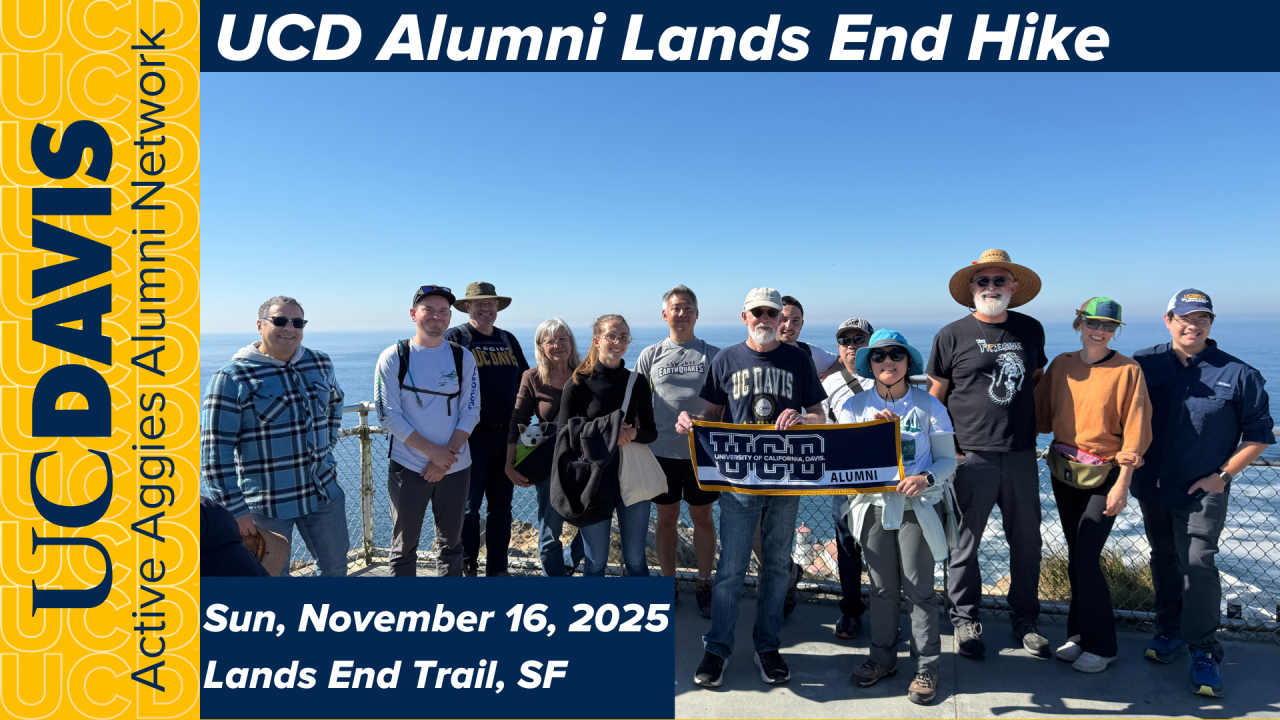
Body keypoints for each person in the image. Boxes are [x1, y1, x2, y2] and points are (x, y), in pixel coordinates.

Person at [678, 287, 827, 688]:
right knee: (730, 569)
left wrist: (803, 420)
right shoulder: (725, 359)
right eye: (756, 312)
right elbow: (710, 415)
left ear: (781, 318)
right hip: (738, 483)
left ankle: (767, 645)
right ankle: (717, 649)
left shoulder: (798, 359)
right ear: (744, 317)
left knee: (777, 569)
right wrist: (691, 424)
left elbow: (820, 415)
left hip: (787, 480)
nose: (765, 318)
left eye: (772, 312)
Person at [1132, 289, 1275, 697]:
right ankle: (1169, 631)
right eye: (1184, 317)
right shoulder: (1143, 363)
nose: (1192, 325)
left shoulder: (1238, 373)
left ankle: (1205, 650)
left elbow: (1260, 435)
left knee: (1198, 563)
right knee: (1163, 557)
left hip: (1203, 490)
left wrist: (1223, 476)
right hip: (1152, 485)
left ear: (1211, 325)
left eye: (1202, 319)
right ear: (1167, 319)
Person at [927, 249, 1049, 659]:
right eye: (983, 281)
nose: (991, 287)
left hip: (1019, 453)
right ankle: (965, 622)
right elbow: (936, 395)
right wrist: (940, 450)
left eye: (1000, 281)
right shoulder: (951, 334)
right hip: (969, 457)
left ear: (1014, 287)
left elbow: (1034, 381)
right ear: (971, 289)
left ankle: (1026, 620)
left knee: (1027, 542)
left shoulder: (1031, 330)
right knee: (964, 544)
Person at [836, 330, 957, 705]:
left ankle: (926, 668)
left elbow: (947, 459)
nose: (887, 362)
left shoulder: (929, 405)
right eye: (878, 356)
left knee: (920, 589)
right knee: (883, 588)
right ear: (868, 364)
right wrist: (876, 433)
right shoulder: (855, 408)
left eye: (895, 355)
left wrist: (926, 478)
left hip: (917, 509)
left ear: (908, 362)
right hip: (873, 509)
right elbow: (845, 460)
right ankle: (882, 658)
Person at [1034, 297, 1152, 673]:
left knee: (1086, 556)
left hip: (1107, 475)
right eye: (1093, 323)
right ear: (1078, 324)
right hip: (1065, 471)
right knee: (1076, 555)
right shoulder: (1062, 364)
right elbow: (1039, 413)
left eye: (1108, 326)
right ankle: (1079, 634)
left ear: (1115, 331)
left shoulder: (1128, 370)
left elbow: (1136, 430)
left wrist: (1123, 484)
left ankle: (1103, 645)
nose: (1099, 331)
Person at [200, 296, 349, 576]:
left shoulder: (319, 362)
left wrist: (325, 446)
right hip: (267, 504)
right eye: (279, 320)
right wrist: (234, 509)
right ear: (260, 325)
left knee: (335, 569)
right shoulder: (232, 378)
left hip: (322, 493)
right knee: (271, 578)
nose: (289, 328)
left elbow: (335, 404)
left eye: (297, 322)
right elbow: (214, 453)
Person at [375, 285, 481, 577]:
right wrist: (433, 454)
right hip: (409, 466)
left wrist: (443, 460)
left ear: (449, 317)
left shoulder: (463, 358)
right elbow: (388, 415)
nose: (437, 316)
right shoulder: (394, 356)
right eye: (428, 310)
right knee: (404, 545)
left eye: (443, 311)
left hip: (456, 467)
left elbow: (471, 412)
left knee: (452, 544)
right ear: (413, 314)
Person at [635, 285, 721, 615]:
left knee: (702, 518)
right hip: (661, 453)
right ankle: (667, 584)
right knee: (666, 518)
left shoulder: (713, 354)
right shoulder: (650, 355)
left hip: (702, 454)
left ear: (696, 314)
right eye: (676, 308)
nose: (681, 313)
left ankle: (704, 583)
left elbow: (724, 405)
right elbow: (637, 402)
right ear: (664, 314)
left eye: (688, 308)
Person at [555, 314, 657, 577]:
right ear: (596, 340)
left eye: (623, 336)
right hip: (594, 480)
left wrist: (633, 434)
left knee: (635, 560)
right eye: (612, 335)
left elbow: (651, 432)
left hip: (631, 475)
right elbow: (563, 435)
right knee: (596, 561)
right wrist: (607, 432)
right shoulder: (578, 382)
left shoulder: (637, 382)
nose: (618, 341)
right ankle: (595, 618)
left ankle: (643, 616)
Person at [445, 282, 531, 577]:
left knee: (501, 507)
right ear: (467, 307)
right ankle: (468, 564)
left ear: (497, 307)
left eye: (490, 303)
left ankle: (498, 569)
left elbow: (527, 379)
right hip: (472, 436)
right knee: (468, 508)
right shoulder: (456, 337)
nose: (485, 308)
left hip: (508, 435)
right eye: (479, 303)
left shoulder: (508, 339)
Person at [506, 317, 585, 576]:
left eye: (563, 338)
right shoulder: (532, 377)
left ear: (571, 342)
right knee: (551, 531)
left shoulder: (587, 373)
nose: (558, 344)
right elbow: (518, 420)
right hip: (551, 462)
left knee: (592, 526)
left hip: (586, 461)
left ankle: (567, 566)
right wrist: (509, 464)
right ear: (541, 347)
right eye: (550, 340)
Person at [822, 318, 876, 640]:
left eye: (860, 338)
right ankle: (851, 611)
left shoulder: (887, 374)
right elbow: (820, 422)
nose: (853, 345)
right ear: (838, 346)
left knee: (885, 550)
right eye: (846, 340)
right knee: (848, 547)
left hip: (884, 480)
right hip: (845, 478)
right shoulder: (828, 384)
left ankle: (887, 613)